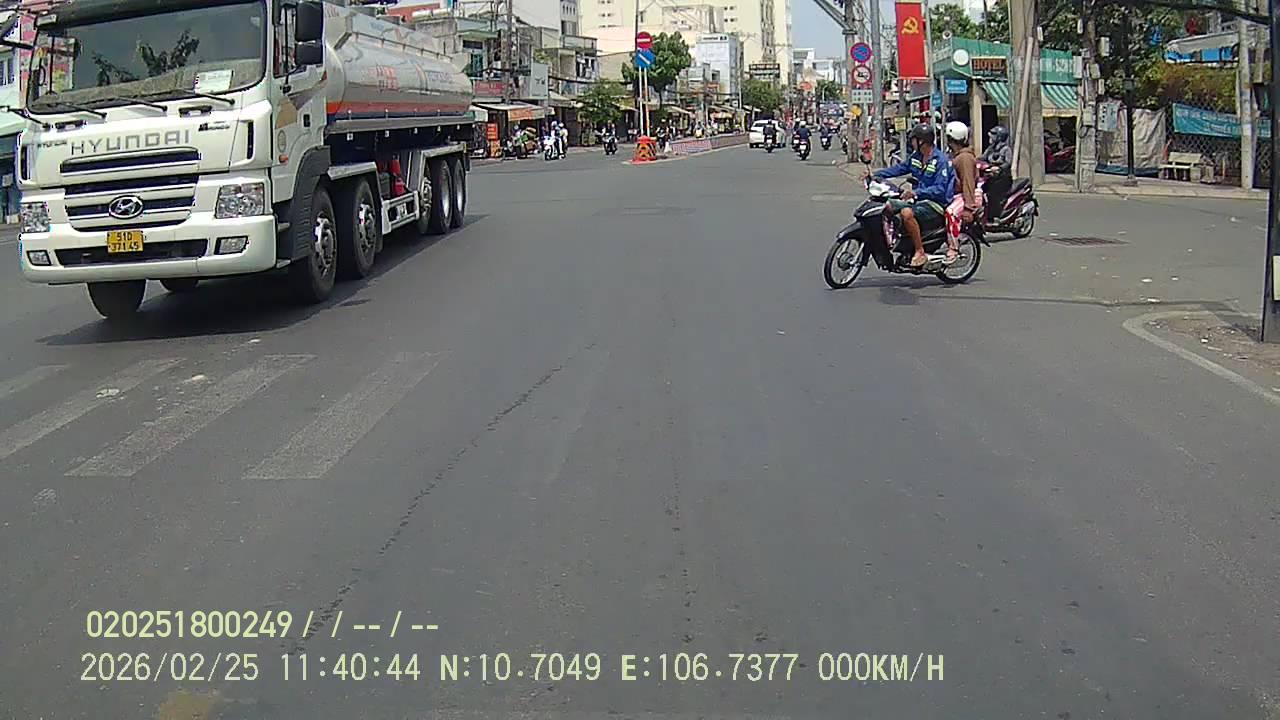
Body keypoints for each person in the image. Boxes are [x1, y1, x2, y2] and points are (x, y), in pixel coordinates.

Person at [867, 123, 953, 268]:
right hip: (918, 200)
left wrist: (916, 192)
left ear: (921, 141)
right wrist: (875, 175)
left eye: (913, 140)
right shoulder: (916, 157)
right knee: (887, 205)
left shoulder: (941, 161)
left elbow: (940, 189)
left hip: (935, 204)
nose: (911, 142)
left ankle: (920, 251)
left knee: (906, 213)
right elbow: (899, 169)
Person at [942, 121, 981, 265]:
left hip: (969, 196)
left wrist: (969, 208)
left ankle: (953, 248)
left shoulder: (964, 158)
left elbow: (968, 182)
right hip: (959, 195)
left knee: (950, 213)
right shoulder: (956, 155)